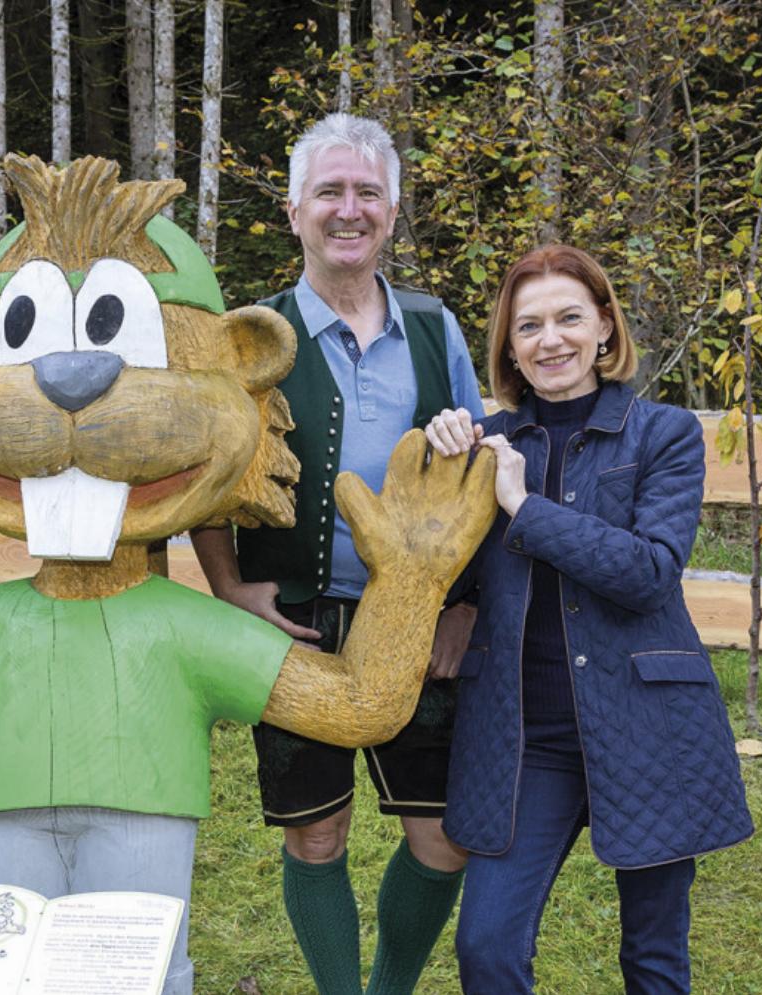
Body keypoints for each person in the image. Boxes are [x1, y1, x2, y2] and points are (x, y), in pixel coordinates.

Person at [190, 112, 485, 995]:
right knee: (315, 832)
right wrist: (229, 587)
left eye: (366, 192)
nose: (347, 209)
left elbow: (485, 477)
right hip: (296, 622)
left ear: (392, 212)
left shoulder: (438, 330)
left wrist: (468, 605)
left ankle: (387, 987)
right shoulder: (252, 338)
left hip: (426, 623)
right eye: (329, 192)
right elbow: (202, 475)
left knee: (443, 838)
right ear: (293, 210)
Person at [421, 244, 754, 993]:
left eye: (570, 317)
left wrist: (523, 507)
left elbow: (649, 572)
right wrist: (441, 462)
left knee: (653, 958)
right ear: (509, 345)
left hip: (649, 726)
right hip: (525, 735)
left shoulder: (663, 434)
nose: (552, 339)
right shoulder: (487, 443)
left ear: (605, 325)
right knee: (487, 947)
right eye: (529, 325)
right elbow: (440, 570)